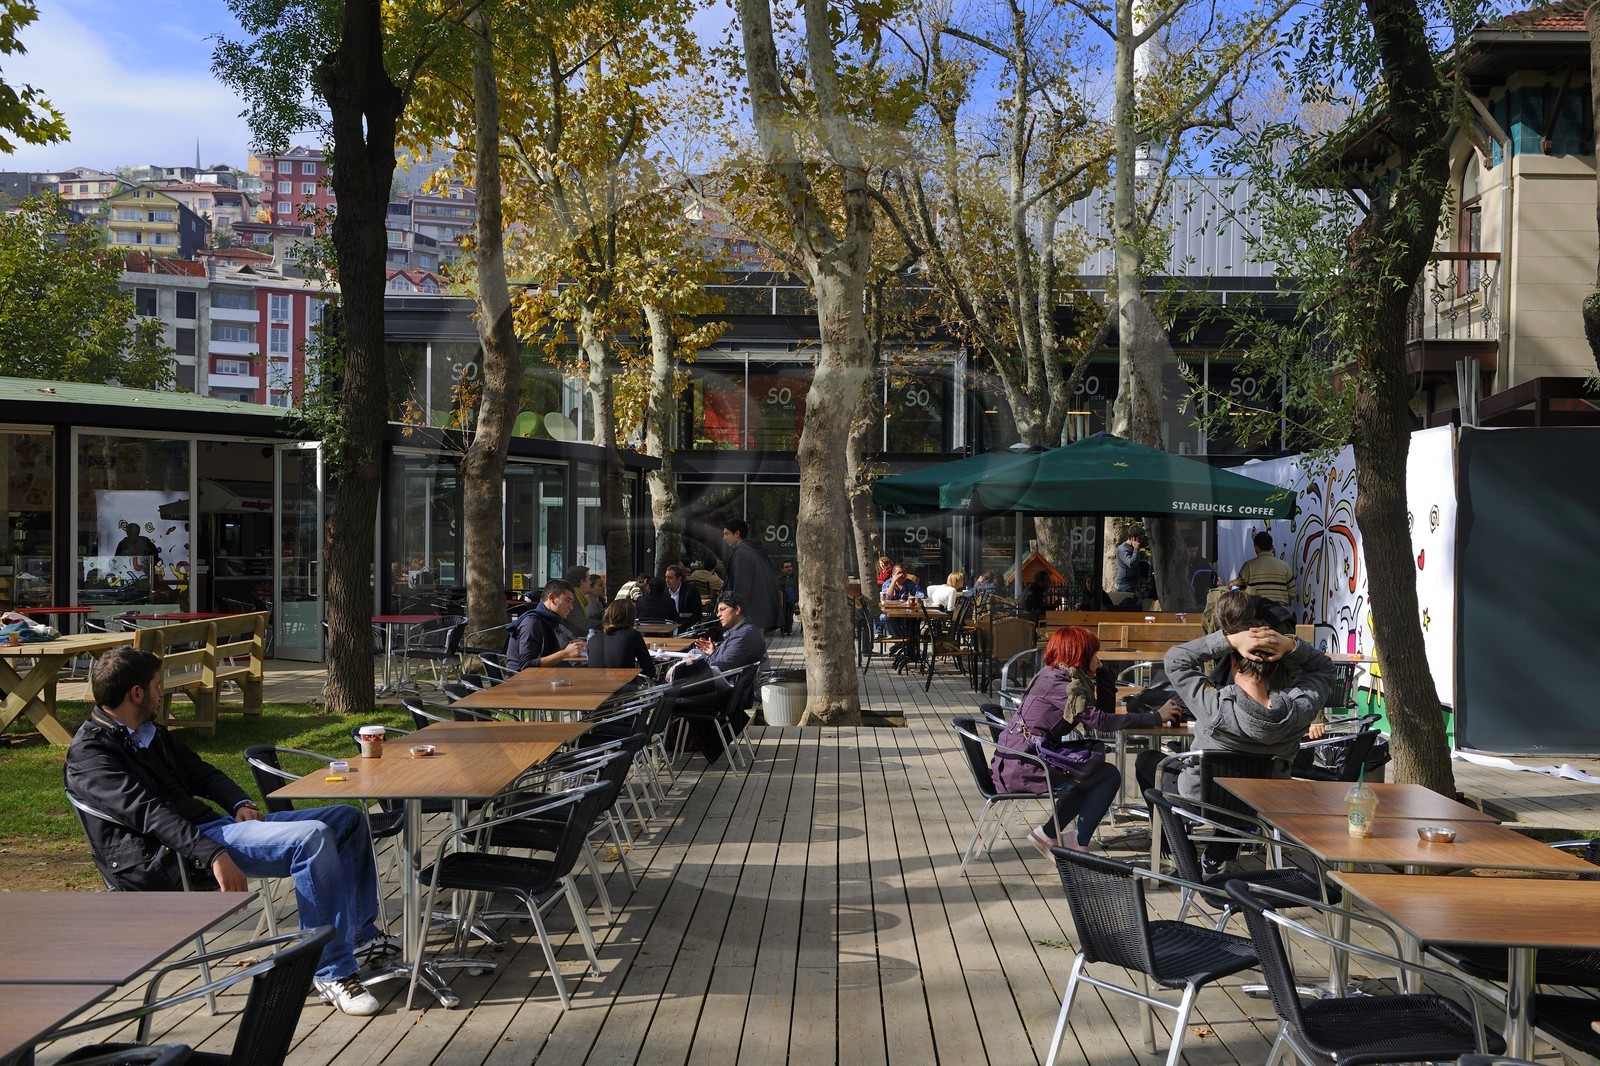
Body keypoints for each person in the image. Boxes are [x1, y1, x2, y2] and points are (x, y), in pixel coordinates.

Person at [64, 646, 389, 1016]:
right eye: (157, 686)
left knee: (346, 820)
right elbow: (149, 815)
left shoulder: (148, 732)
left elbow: (202, 772)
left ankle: (356, 938)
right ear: (135, 693)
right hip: (171, 855)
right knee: (311, 838)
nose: (161, 693)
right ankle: (330, 970)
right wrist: (213, 854)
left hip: (210, 831)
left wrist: (238, 803)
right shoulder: (90, 755)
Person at [1152, 590, 1336, 867]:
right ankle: (1217, 856)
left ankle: (1179, 852)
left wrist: (1228, 640)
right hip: (1263, 806)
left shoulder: (1214, 705)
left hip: (1203, 802)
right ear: (1277, 665)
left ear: (1234, 661)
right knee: (1243, 792)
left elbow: (1176, 659)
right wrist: (1290, 645)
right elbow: (1323, 669)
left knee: (1151, 765)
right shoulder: (1297, 711)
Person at [991, 626, 1180, 856]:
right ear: (1080, 655)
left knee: (1097, 773)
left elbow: (1104, 713)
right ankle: (1069, 842)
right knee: (1106, 775)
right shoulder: (1064, 686)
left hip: (1024, 757)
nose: (1097, 657)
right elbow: (1101, 721)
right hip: (1024, 765)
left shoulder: (1060, 675)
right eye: (1094, 653)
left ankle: (1053, 835)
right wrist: (1154, 717)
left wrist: (1103, 673)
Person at [670, 591, 767, 763]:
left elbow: (721, 667)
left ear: (737, 610)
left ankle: (666, 742)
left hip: (724, 697)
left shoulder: (743, 635)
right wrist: (714, 652)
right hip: (730, 692)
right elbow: (724, 662)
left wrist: (709, 657)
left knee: (668, 698)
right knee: (689, 660)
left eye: (722, 609)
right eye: (717, 610)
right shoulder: (743, 631)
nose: (718, 614)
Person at [506, 579, 588, 670]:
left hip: (543, 676)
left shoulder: (550, 620)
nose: (571, 607)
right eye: (567, 601)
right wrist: (565, 653)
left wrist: (573, 645)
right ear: (551, 598)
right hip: (521, 680)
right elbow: (526, 665)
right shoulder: (532, 622)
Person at [722, 519, 783, 631]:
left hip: (747, 616)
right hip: (758, 612)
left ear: (737, 533)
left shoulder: (742, 553)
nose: (724, 538)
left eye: (727, 534)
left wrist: (735, 611)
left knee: (744, 647)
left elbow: (741, 586)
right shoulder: (754, 551)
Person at [587, 599, 654, 680]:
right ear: (631, 617)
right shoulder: (632, 635)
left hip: (595, 689)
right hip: (623, 689)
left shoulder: (592, 639)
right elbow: (649, 670)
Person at [1235, 531, 1297, 607]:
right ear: (1271, 546)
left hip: (1256, 613)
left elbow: (1238, 590)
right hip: (1280, 614)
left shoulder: (1248, 566)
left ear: (1256, 547)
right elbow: (1293, 593)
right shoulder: (1285, 566)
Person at [1114, 524, 1151, 597]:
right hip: (1126, 585)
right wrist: (1136, 549)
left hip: (1134, 584)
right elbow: (1131, 563)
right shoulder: (1123, 549)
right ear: (1132, 537)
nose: (1140, 541)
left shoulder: (1133, 548)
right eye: (1139, 539)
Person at [777, 559, 799, 635]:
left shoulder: (797, 577)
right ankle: (793, 606)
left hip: (795, 598)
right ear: (782, 569)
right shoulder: (779, 579)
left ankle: (793, 604)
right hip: (783, 600)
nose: (789, 568)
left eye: (790, 566)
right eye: (786, 567)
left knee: (790, 590)